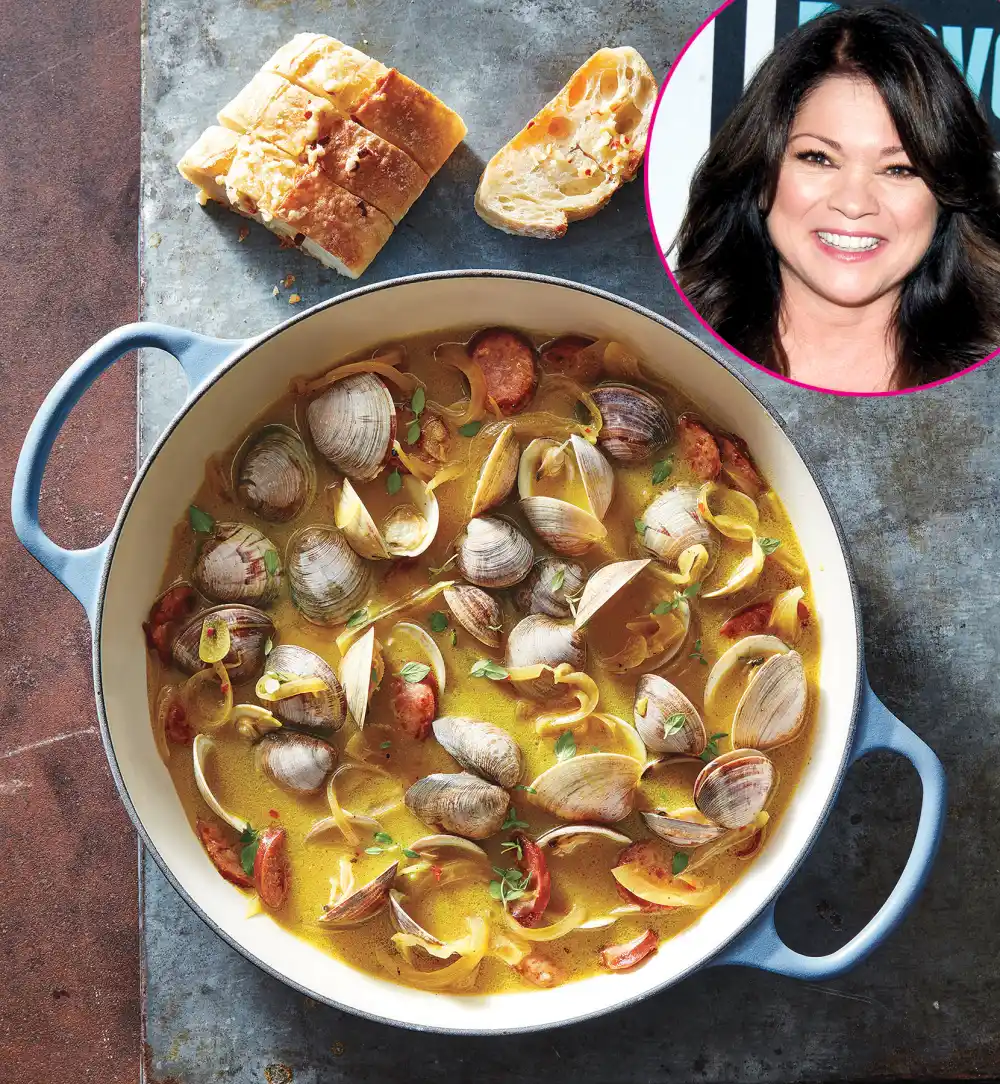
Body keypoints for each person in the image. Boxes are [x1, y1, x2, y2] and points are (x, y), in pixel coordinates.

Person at [674, 2, 1000, 392]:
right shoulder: (665, 333)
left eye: (899, 169)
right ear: (761, 177)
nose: (854, 202)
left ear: (944, 197)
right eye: (819, 158)